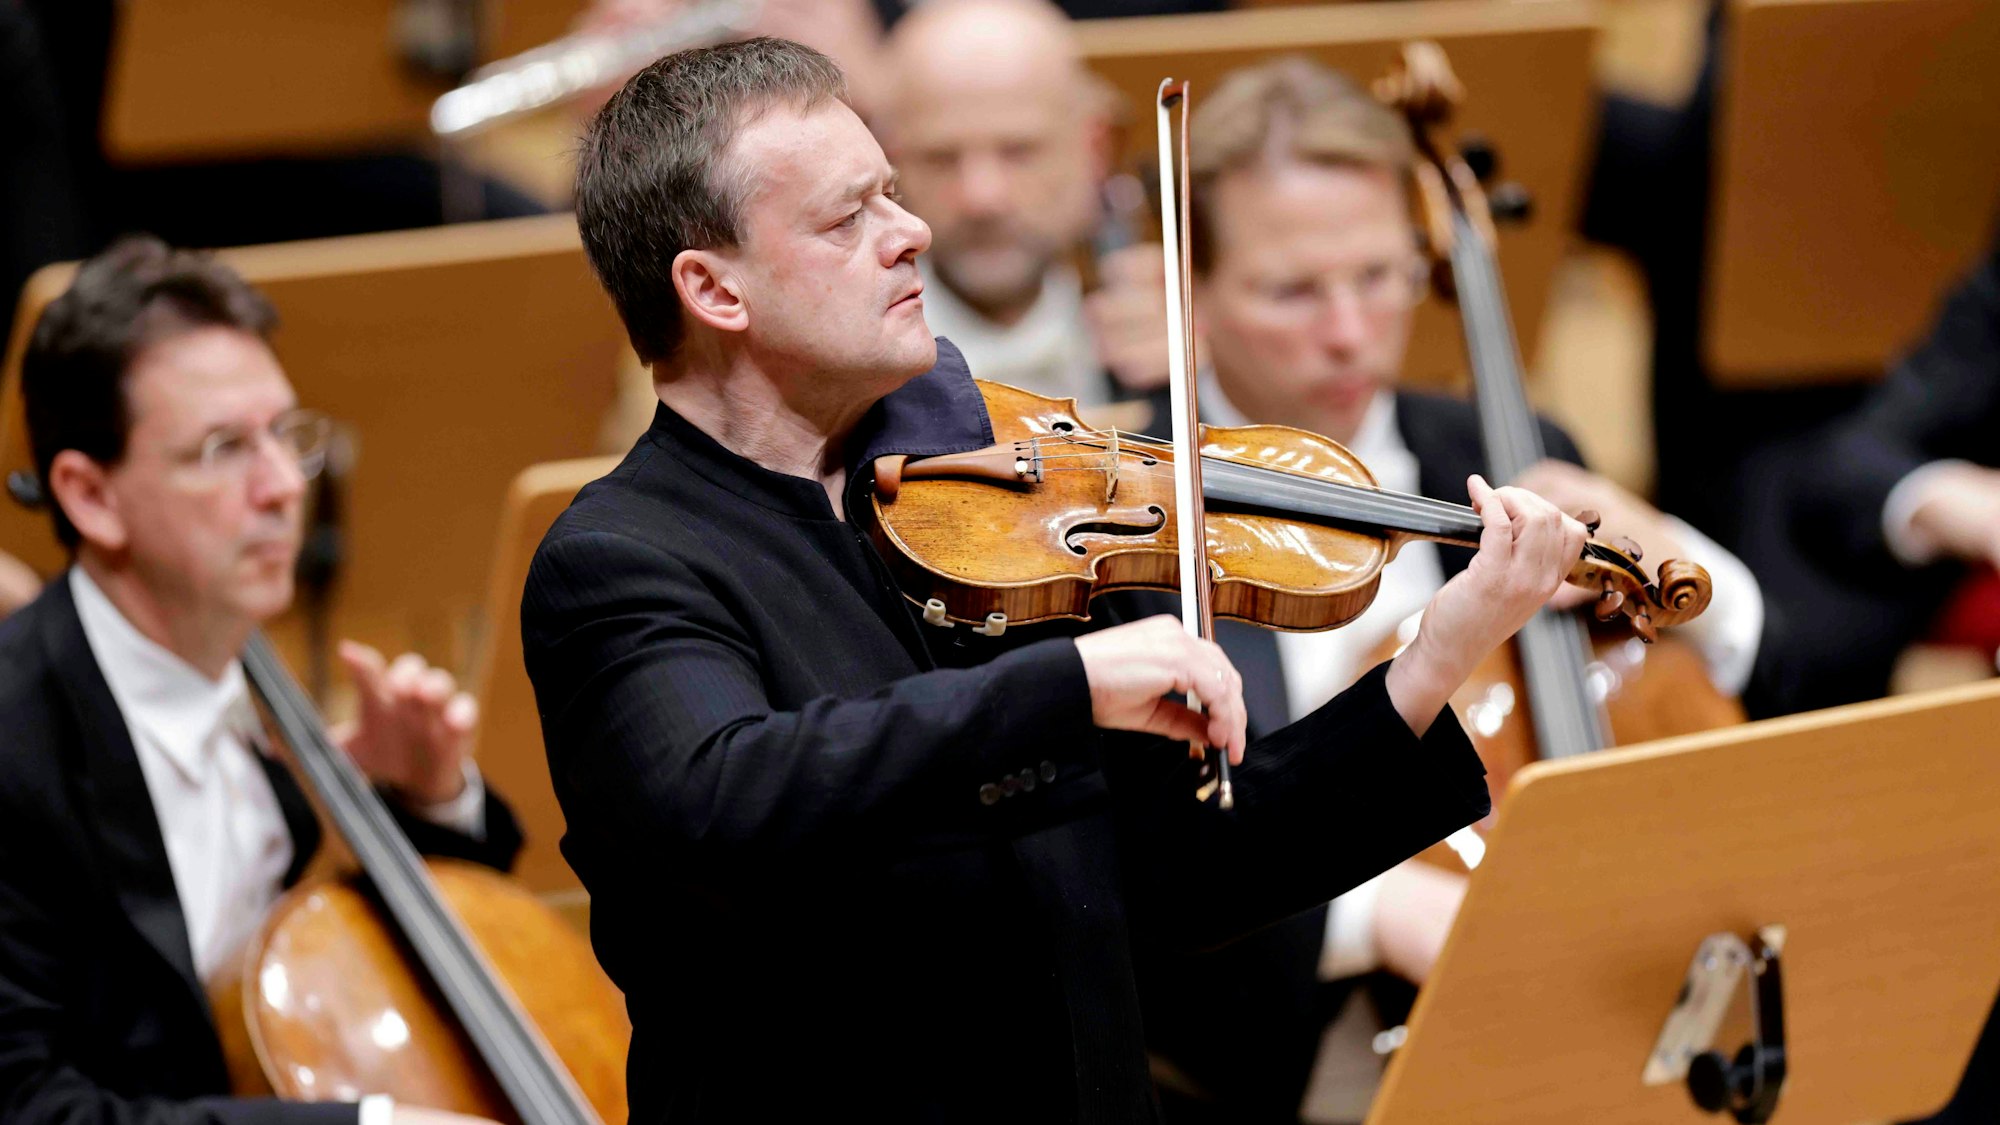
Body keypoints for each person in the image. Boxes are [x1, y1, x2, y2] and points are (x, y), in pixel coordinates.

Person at [525, 37, 1594, 1123]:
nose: (913, 235)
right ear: (712, 289)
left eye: (891, 194)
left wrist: (1439, 651)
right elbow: (721, 799)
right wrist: (1067, 687)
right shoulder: (623, 562)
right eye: (849, 220)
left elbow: (1189, 878)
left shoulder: (1001, 508)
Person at [1127, 57, 1769, 1123]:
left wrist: (1667, 550)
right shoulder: (1123, 513)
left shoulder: (1502, 449)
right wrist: (1375, 909)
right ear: (1186, 284)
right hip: (1282, 1049)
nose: (1348, 329)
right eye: (1291, 289)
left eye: (1379, 275)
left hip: (1599, 1004)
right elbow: (1137, 874)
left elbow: (1754, 670)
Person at [0, 235, 522, 1125]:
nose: (285, 485)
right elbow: (27, 1108)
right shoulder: (17, 751)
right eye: (222, 449)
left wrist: (429, 800)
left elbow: (365, 964)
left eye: (284, 434)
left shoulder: (248, 675)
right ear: (90, 496)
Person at [877, 0, 1168, 403]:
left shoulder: (1178, 336)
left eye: (1019, 151)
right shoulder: (851, 363)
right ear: (891, 159)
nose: (982, 197)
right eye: (940, 157)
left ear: (1094, 148)